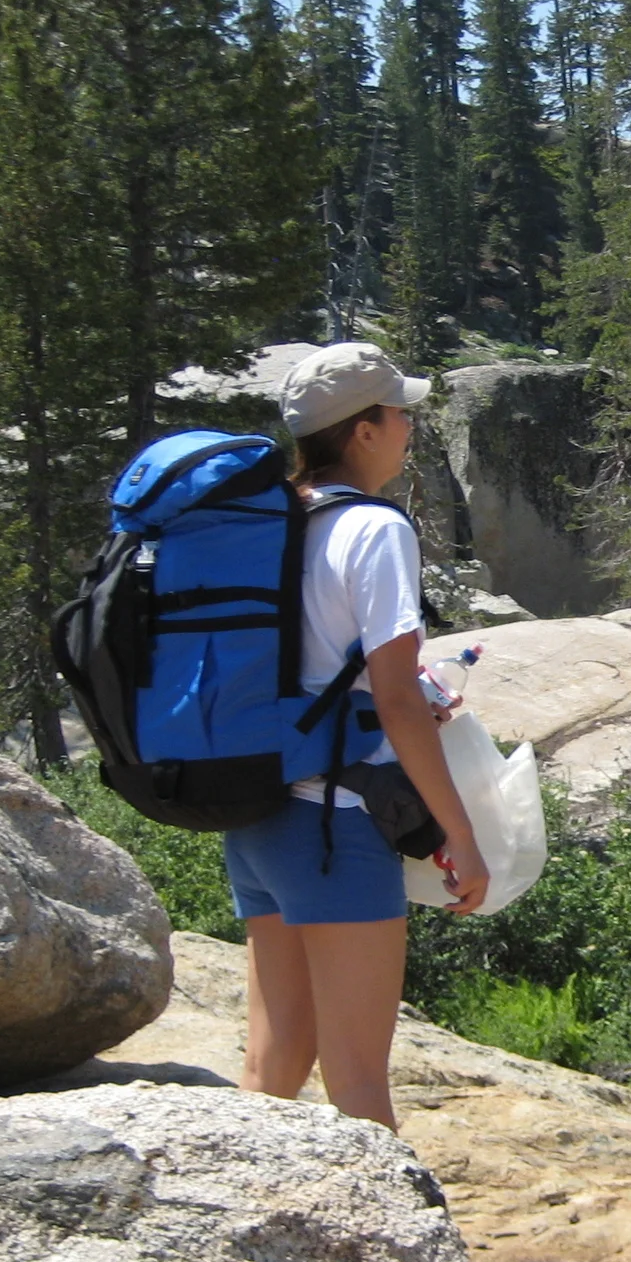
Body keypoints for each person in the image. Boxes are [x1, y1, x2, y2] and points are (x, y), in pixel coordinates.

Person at [229, 343, 489, 1129]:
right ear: (364, 430)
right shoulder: (374, 529)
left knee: (273, 1065)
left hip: (258, 814)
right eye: (399, 411)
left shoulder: (271, 519)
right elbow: (396, 701)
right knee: (359, 1084)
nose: (409, 425)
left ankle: (237, 1227)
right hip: (336, 828)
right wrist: (461, 834)